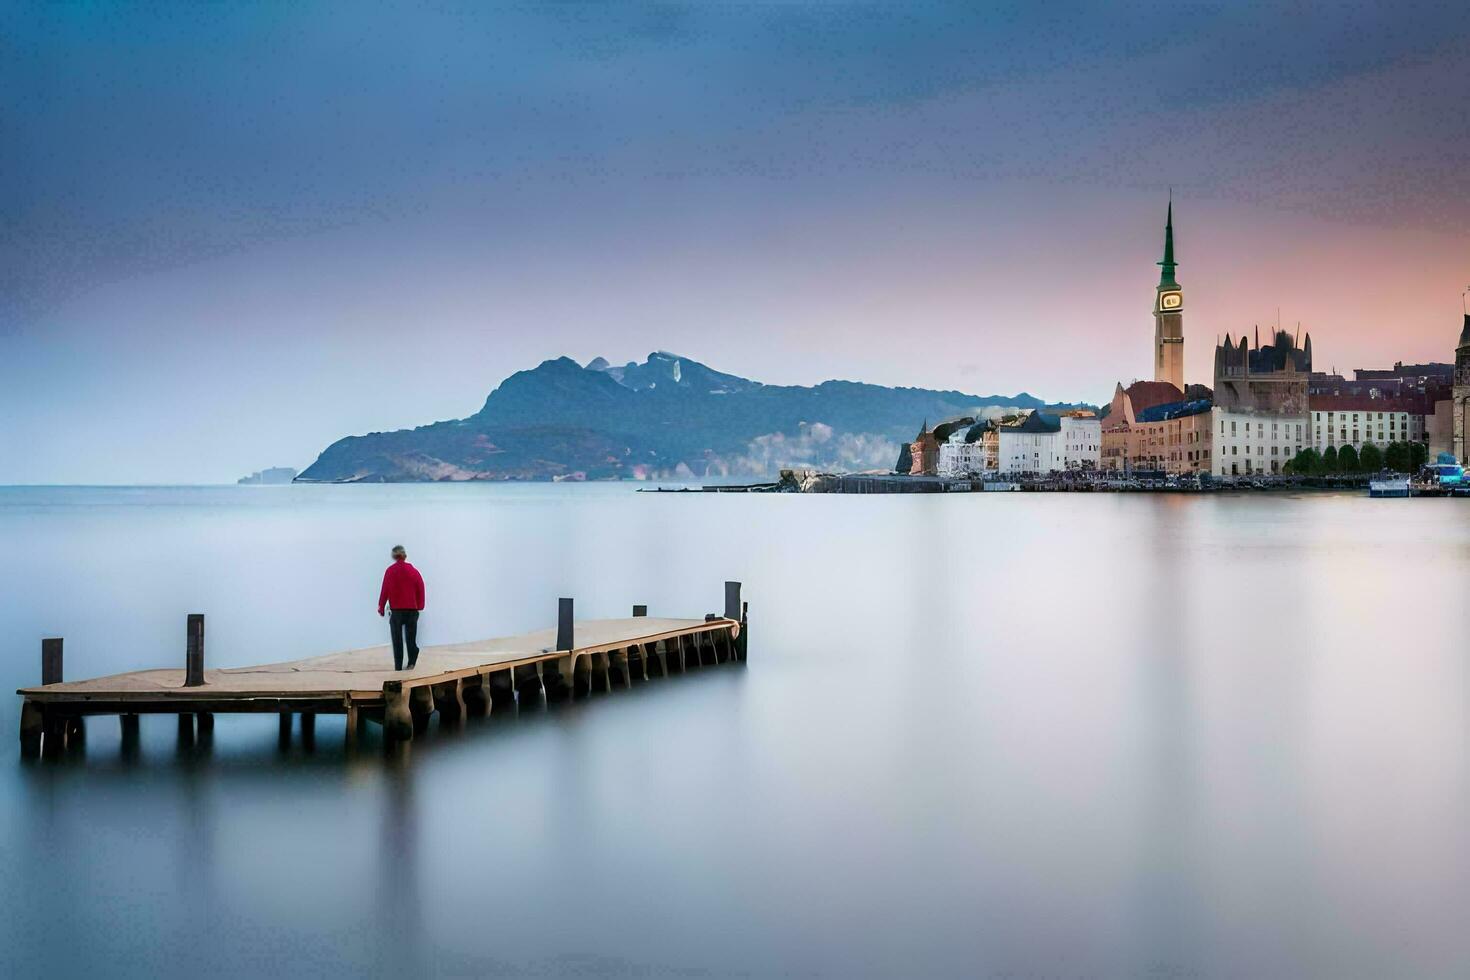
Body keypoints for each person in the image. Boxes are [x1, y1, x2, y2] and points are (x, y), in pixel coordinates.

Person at [378, 545, 425, 670]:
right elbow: (421, 587)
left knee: (397, 640)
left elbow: (385, 591)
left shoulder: (390, 571)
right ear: (405, 555)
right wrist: (420, 606)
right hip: (411, 610)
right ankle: (411, 661)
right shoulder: (413, 571)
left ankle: (398, 666)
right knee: (410, 638)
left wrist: (381, 607)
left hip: (397, 611)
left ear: (394, 556)